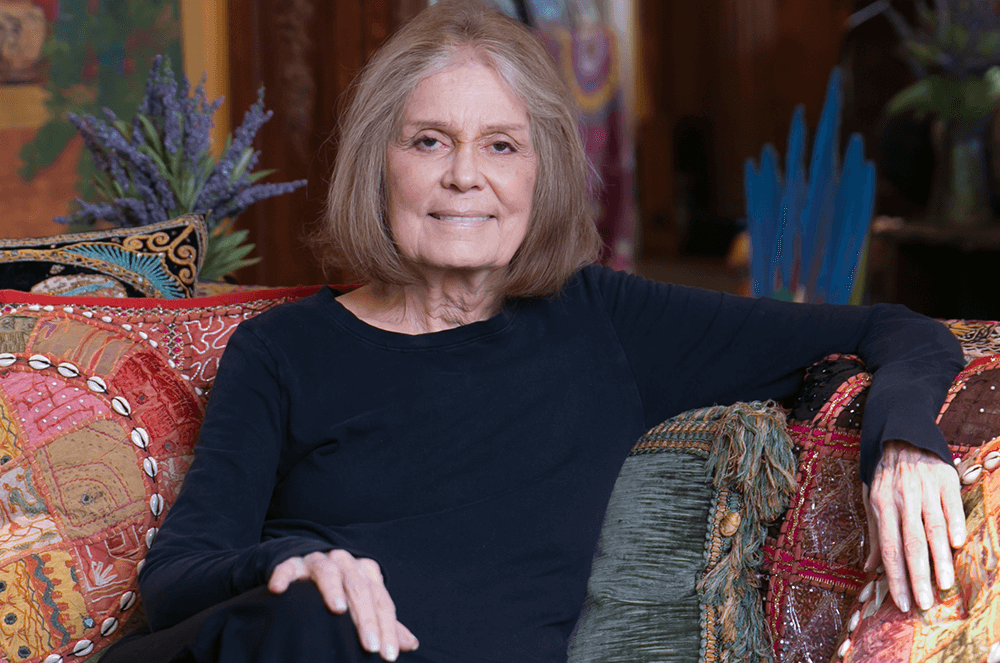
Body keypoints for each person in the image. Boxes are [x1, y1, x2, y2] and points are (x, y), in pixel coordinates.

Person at [104, 1, 966, 661]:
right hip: (282, 648)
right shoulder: (284, 351)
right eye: (430, 140)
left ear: (542, 172)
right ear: (379, 164)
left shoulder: (607, 321)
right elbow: (176, 577)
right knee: (315, 620)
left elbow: (897, 328)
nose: (464, 177)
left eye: (502, 146)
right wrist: (288, 563)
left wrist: (902, 442)